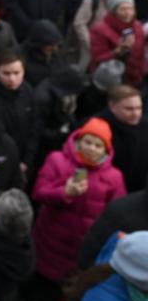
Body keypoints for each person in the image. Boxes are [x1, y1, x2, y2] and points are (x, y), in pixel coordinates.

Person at [32, 118, 126, 287]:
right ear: (78, 141)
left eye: (98, 146)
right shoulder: (57, 160)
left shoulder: (114, 178)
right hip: (49, 242)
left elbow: (116, 215)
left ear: (106, 150)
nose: (91, 148)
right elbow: (38, 193)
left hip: (78, 253)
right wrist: (64, 193)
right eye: (88, 142)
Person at [89, 0, 145, 88]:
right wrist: (117, 52)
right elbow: (97, 59)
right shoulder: (100, 29)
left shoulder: (137, 26)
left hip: (137, 79)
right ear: (114, 11)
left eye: (130, 9)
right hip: (114, 81)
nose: (128, 13)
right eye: (123, 9)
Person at [101, 84, 148, 192]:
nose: (136, 114)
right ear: (112, 106)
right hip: (110, 191)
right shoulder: (97, 127)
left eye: (139, 108)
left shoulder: (145, 125)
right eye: (129, 109)